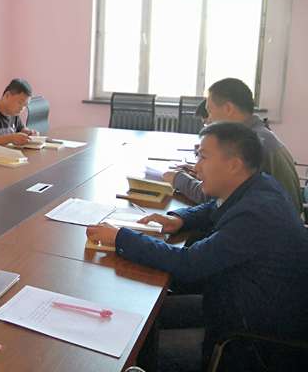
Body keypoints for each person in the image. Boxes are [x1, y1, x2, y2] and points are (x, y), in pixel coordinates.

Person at [87, 122, 308, 371]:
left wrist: (120, 238)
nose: (196, 166)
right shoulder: (259, 186)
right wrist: (180, 219)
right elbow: (215, 206)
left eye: (203, 157)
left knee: (137, 346)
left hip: (252, 342)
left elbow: (189, 264)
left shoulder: (256, 214)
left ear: (234, 164)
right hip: (237, 302)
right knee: (140, 317)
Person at [164, 78, 303, 216]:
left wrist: (178, 179)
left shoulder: (252, 144)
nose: (209, 119)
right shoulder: (259, 133)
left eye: (210, 111)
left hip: (266, 224)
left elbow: (213, 198)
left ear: (228, 109)